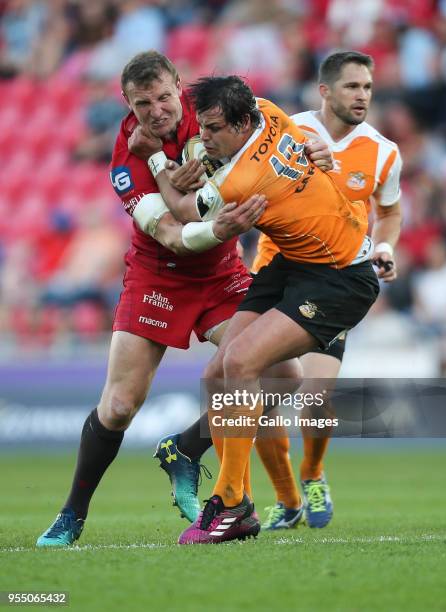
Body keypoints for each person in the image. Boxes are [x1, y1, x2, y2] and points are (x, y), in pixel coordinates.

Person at [36, 50, 329, 547]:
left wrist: (317, 148)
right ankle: (71, 514)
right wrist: (217, 224)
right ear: (127, 102)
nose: (156, 109)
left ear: (179, 86)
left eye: (164, 96)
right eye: (142, 101)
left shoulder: (209, 111)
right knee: (121, 405)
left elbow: (272, 129)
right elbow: (171, 235)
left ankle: (185, 449)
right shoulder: (125, 162)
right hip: (158, 278)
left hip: (220, 274)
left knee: (284, 377)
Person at [155, 51, 402, 532]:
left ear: (243, 123)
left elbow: (185, 211)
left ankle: (231, 502)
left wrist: (162, 172)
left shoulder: (241, 180)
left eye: (213, 128)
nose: (204, 136)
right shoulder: (266, 108)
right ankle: (246, 494)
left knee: (248, 367)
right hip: (293, 262)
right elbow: (296, 138)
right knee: (218, 371)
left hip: (340, 276)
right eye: (201, 126)